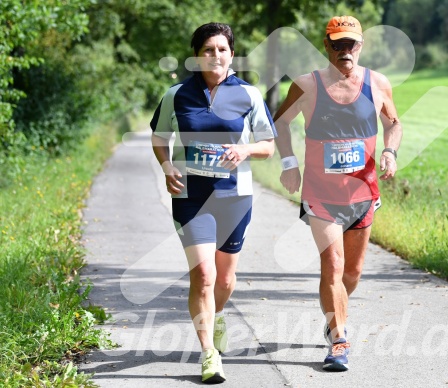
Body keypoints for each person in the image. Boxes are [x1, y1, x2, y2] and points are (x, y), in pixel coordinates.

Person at [273, 15, 402, 371]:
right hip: (321, 195)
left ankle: (333, 316)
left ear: (361, 45)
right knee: (333, 266)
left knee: (352, 274)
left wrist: (390, 152)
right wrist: (288, 163)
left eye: (351, 44)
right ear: (326, 46)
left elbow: (393, 122)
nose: (345, 51)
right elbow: (279, 121)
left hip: (363, 194)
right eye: (337, 44)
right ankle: (339, 339)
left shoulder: (378, 83)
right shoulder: (306, 85)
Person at [150, 22, 276, 384]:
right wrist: (166, 163)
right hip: (190, 197)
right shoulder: (176, 94)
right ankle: (209, 354)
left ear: (231, 55)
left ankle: (217, 315)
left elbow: (267, 145)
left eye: (222, 49)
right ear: (196, 56)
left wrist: (245, 148)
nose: (216, 55)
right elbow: (160, 137)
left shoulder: (249, 95)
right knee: (203, 276)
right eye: (208, 49)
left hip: (235, 197)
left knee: (225, 279)